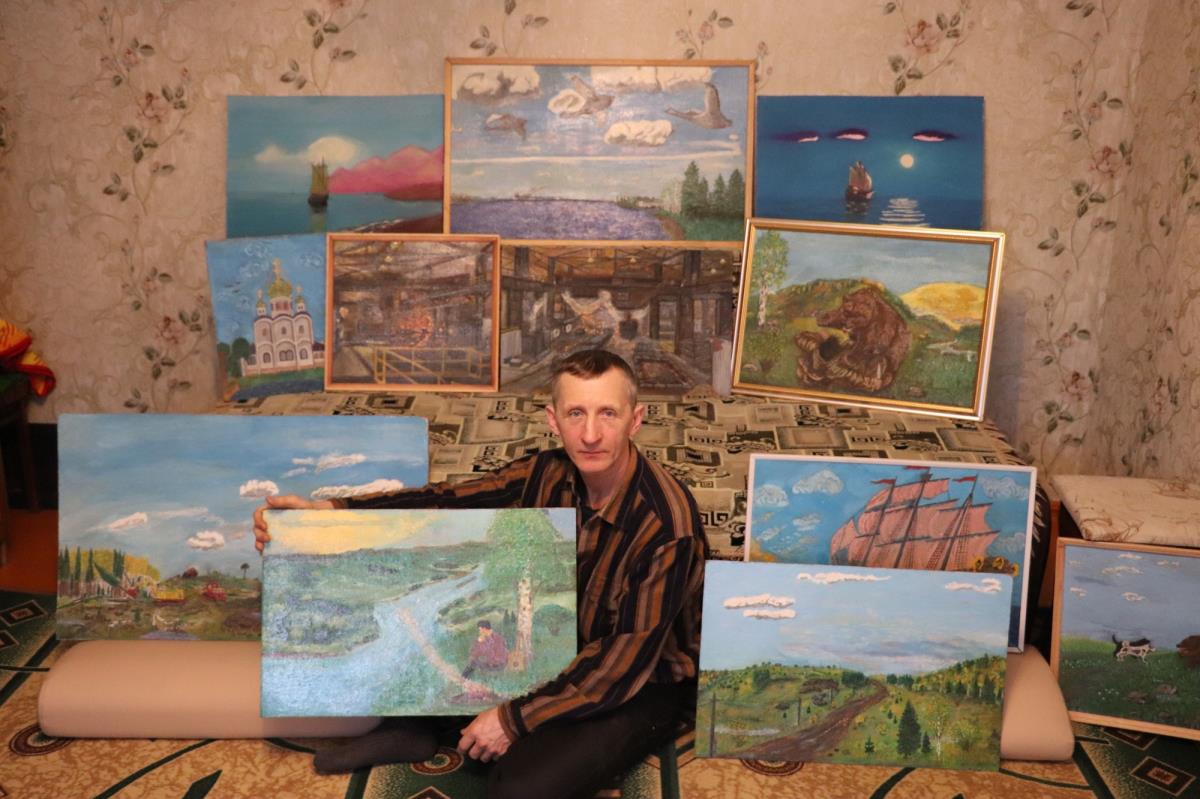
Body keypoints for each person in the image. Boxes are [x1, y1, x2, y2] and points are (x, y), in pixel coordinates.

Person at [253, 349, 708, 799]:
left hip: (641, 682)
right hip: (562, 647)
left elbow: (621, 663)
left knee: (520, 787)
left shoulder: (667, 525)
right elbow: (450, 500)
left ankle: (465, 725)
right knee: (456, 623)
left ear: (635, 420)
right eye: (576, 414)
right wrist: (332, 511)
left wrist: (512, 720)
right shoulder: (546, 472)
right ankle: (413, 728)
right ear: (553, 420)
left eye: (608, 413)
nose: (591, 434)